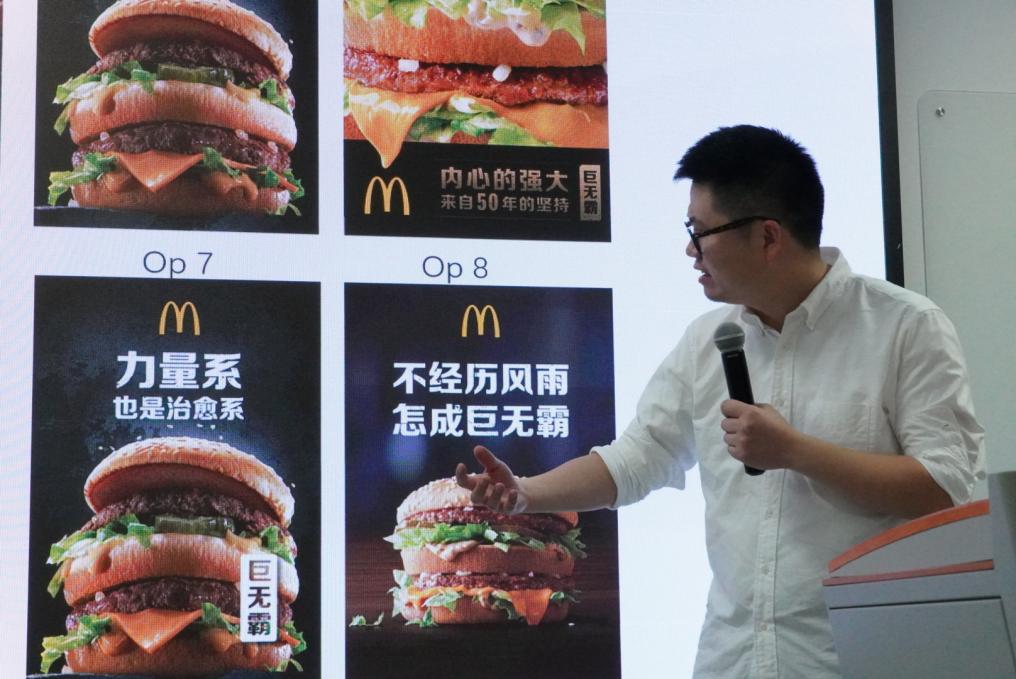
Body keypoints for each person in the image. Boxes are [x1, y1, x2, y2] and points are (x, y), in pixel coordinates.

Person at [455, 125, 984, 678]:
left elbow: (944, 487)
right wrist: (525, 494)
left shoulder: (905, 327)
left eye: (701, 231)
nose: (691, 249)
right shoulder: (707, 340)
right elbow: (636, 459)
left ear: (768, 237)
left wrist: (796, 452)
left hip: (858, 660)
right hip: (733, 660)